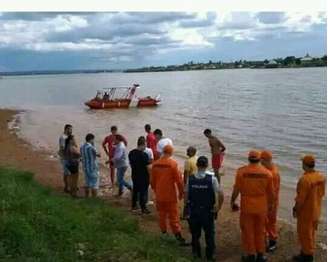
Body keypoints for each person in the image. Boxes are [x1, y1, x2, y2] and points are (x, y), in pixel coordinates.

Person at [230, 150, 274, 262]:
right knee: (260, 230)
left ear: (249, 159)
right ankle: (261, 255)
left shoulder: (241, 172)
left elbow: (236, 189)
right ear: (259, 159)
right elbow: (271, 193)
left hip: (247, 205)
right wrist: (270, 206)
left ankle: (251, 255)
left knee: (248, 231)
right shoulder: (268, 173)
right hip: (261, 205)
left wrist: (232, 201)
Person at [185, 156, 224, 261]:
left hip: (194, 211)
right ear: (207, 166)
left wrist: (186, 208)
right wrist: (218, 207)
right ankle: (210, 256)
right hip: (207, 211)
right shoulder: (212, 179)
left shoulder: (191, 178)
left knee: (195, 234)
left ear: (197, 165)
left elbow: (186, 194)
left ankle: (196, 254)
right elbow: (221, 194)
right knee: (209, 234)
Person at [151, 144, 187, 245]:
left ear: (163, 152)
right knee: (173, 216)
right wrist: (181, 193)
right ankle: (178, 237)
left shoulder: (155, 164)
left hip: (159, 195)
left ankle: (163, 233)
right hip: (170, 195)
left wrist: (156, 191)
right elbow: (179, 181)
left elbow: (152, 182)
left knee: (161, 215)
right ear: (171, 153)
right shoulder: (173, 164)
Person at [292, 155, 325, 262]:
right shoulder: (321, 177)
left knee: (304, 234)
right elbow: (322, 193)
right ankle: (306, 252)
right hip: (316, 210)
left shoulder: (304, 180)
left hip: (306, 212)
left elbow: (300, 199)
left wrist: (295, 209)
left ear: (304, 165)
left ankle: (307, 256)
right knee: (311, 233)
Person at [260, 150, 280, 252]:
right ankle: (265, 240)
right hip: (268, 201)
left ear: (264, 160)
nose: (260, 162)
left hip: (271, 202)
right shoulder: (269, 169)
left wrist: (270, 204)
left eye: (261, 160)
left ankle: (273, 242)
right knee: (265, 222)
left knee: (271, 222)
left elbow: (273, 192)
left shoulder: (272, 174)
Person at [128, 136, 151, 214]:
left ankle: (133, 206)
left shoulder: (131, 153)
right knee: (143, 192)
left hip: (134, 175)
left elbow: (131, 164)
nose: (146, 146)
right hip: (143, 177)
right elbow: (148, 168)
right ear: (143, 144)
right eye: (145, 145)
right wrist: (151, 177)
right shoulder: (144, 155)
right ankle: (143, 208)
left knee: (135, 190)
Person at [80, 133, 101, 197]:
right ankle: (94, 198)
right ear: (91, 139)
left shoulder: (82, 147)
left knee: (87, 183)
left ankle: (87, 197)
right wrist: (94, 146)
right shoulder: (91, 147)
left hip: (85, 167)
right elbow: (98, 155)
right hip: (92, 168)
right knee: (94, 184)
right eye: (93, 140)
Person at [58, 124, 73, 193]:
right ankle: (66, 187)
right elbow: (62, 148)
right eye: (70, 129)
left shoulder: (68, 137)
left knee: (70, 173)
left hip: (69, 157)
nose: (71, 131)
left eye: (71, 129)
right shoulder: (63, 137)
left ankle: (70, 186)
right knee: (66, 173)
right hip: (65, 158)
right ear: (66, 129)